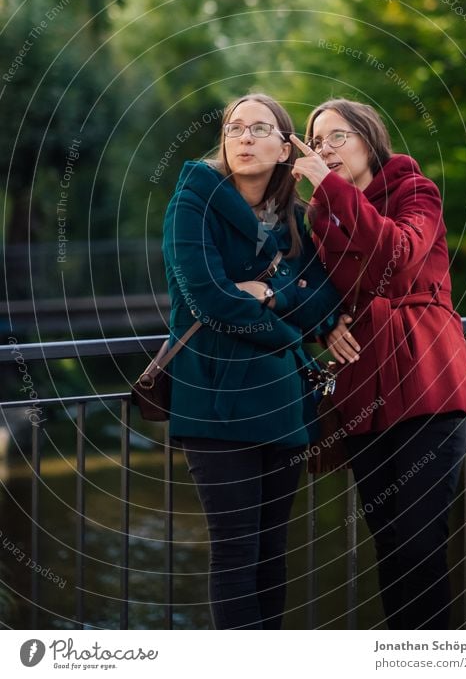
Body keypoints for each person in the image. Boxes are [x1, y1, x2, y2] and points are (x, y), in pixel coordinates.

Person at [290, 98, 466, 630]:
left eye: (338, 136)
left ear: (369, 140)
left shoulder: (415, 191)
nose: (325, 148)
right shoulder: (319, 219)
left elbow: (398, 256)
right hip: (364, 393)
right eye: (317, 140)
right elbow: (310, 291)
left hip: (428, 382)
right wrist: (325, 322)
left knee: (421, 549)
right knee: (392, 554)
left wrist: (329, 186)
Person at [162, 93, 339, 630]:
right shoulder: (192, 200)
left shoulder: (299, 217)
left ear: (285, 148)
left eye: (259, 129)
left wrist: (270, 294)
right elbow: (209, 299)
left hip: (285, 404)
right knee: (236, 556)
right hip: (215, 399)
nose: (243, 138)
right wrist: (289, 330)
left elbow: (324, 300)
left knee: (270, 555)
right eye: (235, 128)